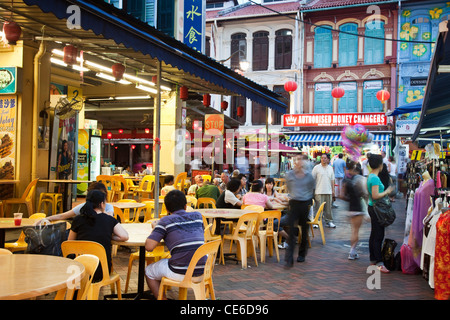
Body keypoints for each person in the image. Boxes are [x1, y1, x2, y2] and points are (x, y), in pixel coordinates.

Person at [145, 190, 205, 299]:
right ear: (185, 206)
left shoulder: (165, 221)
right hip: (203, 269)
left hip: (180, 271)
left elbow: (149, 247)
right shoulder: (198, 216)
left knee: (149, 271)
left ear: (167, 209)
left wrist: (156, 228)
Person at [68, 189, 129, 281]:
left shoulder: (78, 219)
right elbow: (124, 236)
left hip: (79, 270)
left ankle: (75, 293)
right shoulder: (109, 220)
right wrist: (107, 235)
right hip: (101, 271)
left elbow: (70, 243)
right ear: (101, 204)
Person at [284, 154, 315, 266]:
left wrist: (307, 198)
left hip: (305, 203)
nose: (299, 162)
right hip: (294, 203)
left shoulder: (309, 176)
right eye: (297, 160)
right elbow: (289, 187)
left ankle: (302, 254)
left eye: (301, 160)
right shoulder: (290, 175)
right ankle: (289, 256)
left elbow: (312, 188)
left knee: (304, 229)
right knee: (291, 230)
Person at [36, 182, 114, 224]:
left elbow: (63, 216)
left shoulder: (108, 207)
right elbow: (62, 216)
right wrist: (46, 219)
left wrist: (103, 209)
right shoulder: (84, 207)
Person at [367, 154, 394, 273]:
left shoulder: (371, 176)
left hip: (373, 207)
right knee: (378, 235)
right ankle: (379, 261)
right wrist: (387, 191)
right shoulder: (375, 178)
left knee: (374, 234)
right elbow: (375, 195)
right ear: (380, 165)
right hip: (376, 208)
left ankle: (373, 258)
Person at [343, 162, 368, 260]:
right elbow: (365, 194)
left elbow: (342, 195)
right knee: (356, 231)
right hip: (359, 208)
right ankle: (352, 252)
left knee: (353, 230)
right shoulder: (361, 179)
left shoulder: (347, 181)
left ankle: (353, 251)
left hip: (350, 208)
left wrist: (350, 198)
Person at [312, 154, 336, 228]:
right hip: (319, 191)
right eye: (322, 158)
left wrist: (333, 190)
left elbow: (332, 180)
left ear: (327, 159)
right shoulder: (316, 168)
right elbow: (312, 179)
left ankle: (329, 221)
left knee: (328, 208)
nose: (323, 159)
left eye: (325, 158)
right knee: (318, 208)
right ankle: (316, 221)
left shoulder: (330, 168)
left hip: (328, 191)